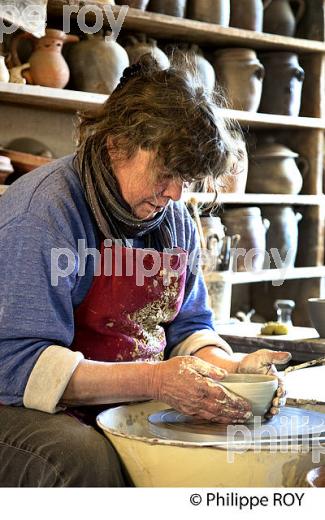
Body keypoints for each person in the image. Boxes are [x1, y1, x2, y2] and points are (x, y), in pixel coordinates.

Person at [0, 55, 291, 487]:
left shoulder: (173, 221)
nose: (175, 193)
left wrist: (231, 369)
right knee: (82, 459)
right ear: (118, 143)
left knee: (228, 448)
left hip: (132, 396)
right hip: (22, 405)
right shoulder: (44, 212)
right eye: (167, 172)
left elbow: (188, 328)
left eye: (187, 179)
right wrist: (156, 379)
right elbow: (17, 365)